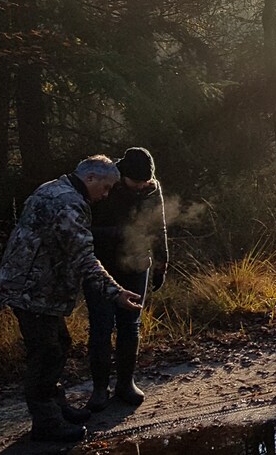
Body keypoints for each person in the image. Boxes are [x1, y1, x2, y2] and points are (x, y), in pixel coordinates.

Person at [0, 156, 143, 442]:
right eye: (106, 187)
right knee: (45, 354)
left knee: (59, 343)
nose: (106, 195)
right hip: (32, 290)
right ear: (90, 178)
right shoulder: (70, 204)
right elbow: (84, 258)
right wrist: (117, 293)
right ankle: (47, 423)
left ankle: (56, 406)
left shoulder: (53, 188)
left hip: (34, 286)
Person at [84, 147, 168, 411]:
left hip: (137, 263)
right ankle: (100, 388)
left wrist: (162, 263)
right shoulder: (105, 183)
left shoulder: (151, 188)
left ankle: (125, 383)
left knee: (130, 325)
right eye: (136, 182)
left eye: (145, 182)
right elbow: (84, 226)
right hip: (101, 264)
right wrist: (117, 232)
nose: (141, 187)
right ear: (122, 175)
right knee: (101, 326)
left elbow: (158, 225)